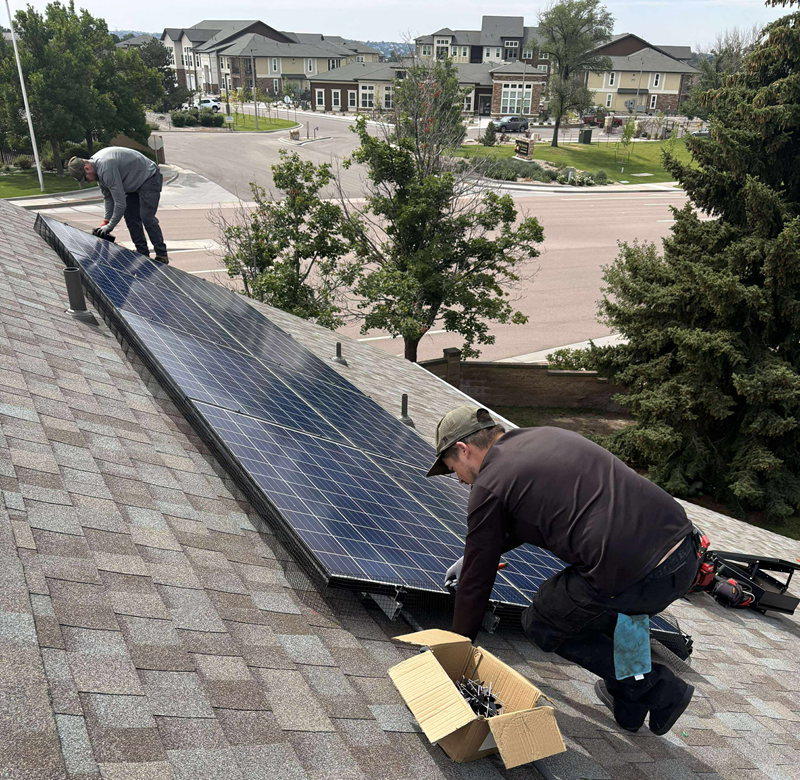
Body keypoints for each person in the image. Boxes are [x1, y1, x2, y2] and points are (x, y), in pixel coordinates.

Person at [427, 405, 699, 736]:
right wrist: (476, 555)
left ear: (462, 449)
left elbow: (476, 583)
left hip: (636, 575)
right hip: (684, 555)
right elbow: (522, 519)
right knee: (615, 609)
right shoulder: (544, 435)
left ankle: (658, 689)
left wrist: (458, 650)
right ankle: (629, 702)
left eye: (452, 467)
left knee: (543, 621)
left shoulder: (490, 482)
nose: (457, 477)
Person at [67, 148, 168, 264]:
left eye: (85, 178)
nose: (88, 181)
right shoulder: (98, 172)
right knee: (130, 216)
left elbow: (120, 204)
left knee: (147, 217)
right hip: (134, 183)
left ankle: (161, 255)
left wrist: (109, 227)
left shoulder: (105, 167)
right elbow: (109, 199)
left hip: (149, 177)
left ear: (87, 168)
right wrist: (105, 222)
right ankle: (142, 252)